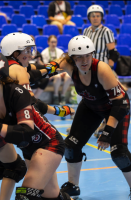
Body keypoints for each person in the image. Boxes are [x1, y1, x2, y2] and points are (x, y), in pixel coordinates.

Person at [0, 50, 74, 200]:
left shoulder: (17, 93)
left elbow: (25, 132)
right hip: (29, 148)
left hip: (49, 143)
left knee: (25, 196)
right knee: (51, 196)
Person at [53, 35, 131, 199]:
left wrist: (107, 132)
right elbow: (46, 69)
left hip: (116, 107)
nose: (84, 60)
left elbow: (120, 103)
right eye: (79, 57)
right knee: (71, 146)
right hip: (91, 106)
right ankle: (73, 186)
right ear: (72, 58)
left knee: (119, 153)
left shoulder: (101, 69)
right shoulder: (67, 64)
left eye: (88, 55)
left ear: (92, 54)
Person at [83, 5, 121, 137]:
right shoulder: (86, 31)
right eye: (93, 16)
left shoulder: (106, 31)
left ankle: (106, 124)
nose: (95, 18)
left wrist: (108, 70)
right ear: (89, 18)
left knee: (107, 97)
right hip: (88, 70)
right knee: (90, 97)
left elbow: (113, 53)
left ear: (101, 17)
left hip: (103, 69)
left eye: (98, 15)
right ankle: (90, 123)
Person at [41, 35, 71, 105]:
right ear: (48, 42)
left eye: (55, 42)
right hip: (50, 71)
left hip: (60, 71)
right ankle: (56, 96)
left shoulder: (60, 51)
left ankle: (63, 95)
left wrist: (63, 71)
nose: (54, 44)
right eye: (52, 42)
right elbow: (46, 67)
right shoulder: (44, 53)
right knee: (57, 77)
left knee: (68, 76)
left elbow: (63, 64)